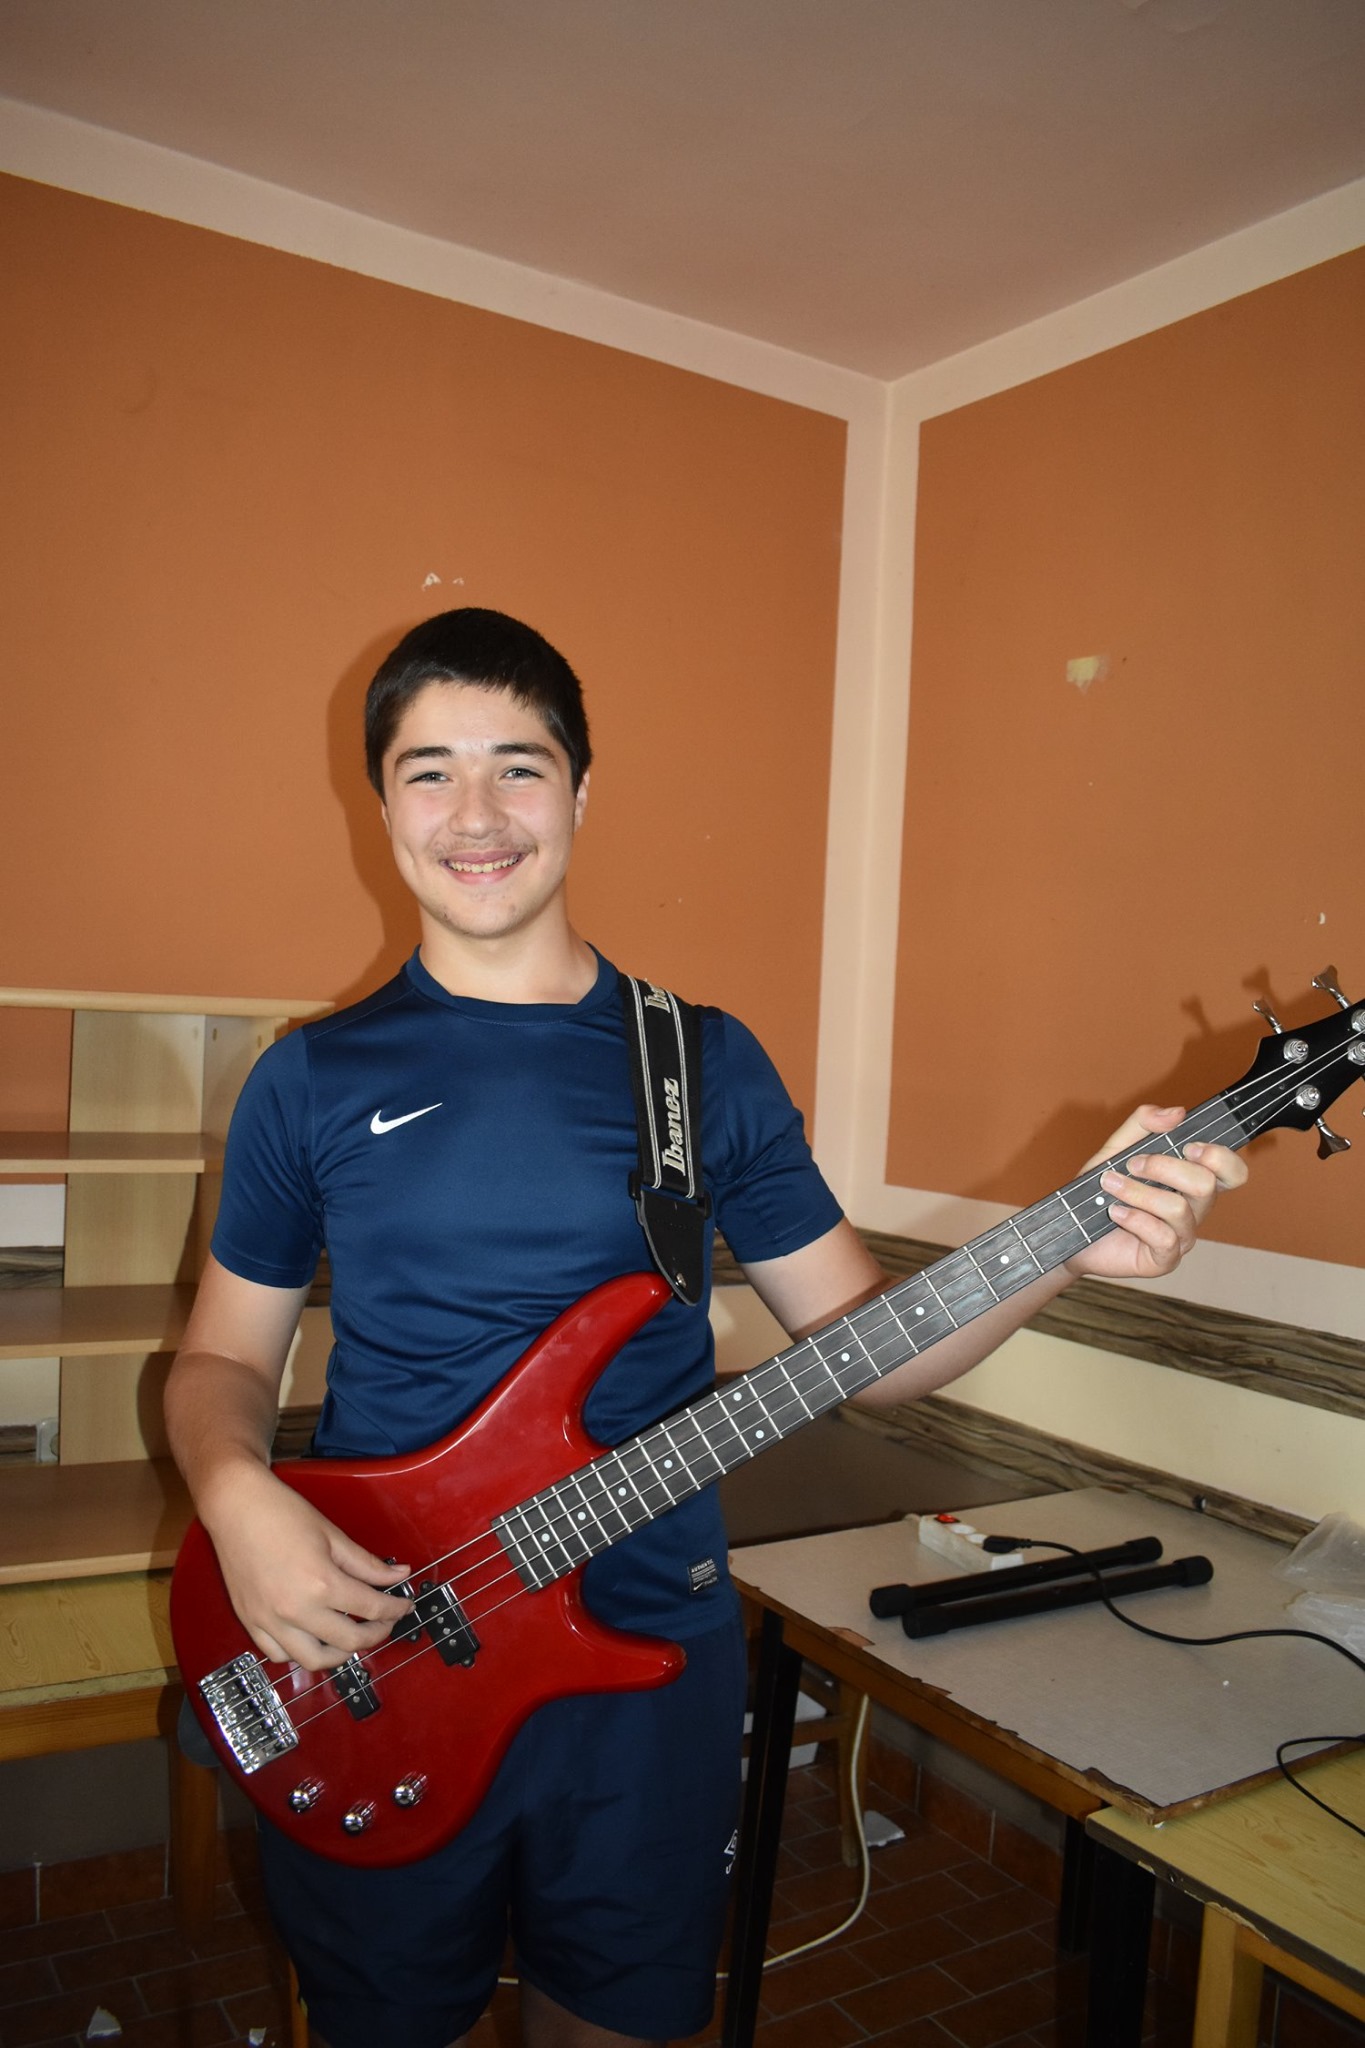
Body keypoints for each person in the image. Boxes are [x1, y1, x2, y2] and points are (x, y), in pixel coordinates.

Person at [165, 607, 1247, 2048]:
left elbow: (868, 1353)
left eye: (519, 767)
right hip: (378, 1639)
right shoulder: (307, 1078)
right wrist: (236, 1498)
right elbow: (221, 1359)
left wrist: (1068, 1249)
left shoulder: (702, 1063)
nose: (475, 814)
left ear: (581, 791)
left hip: (649, 1660)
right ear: (380, 804)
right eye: (430, 771)